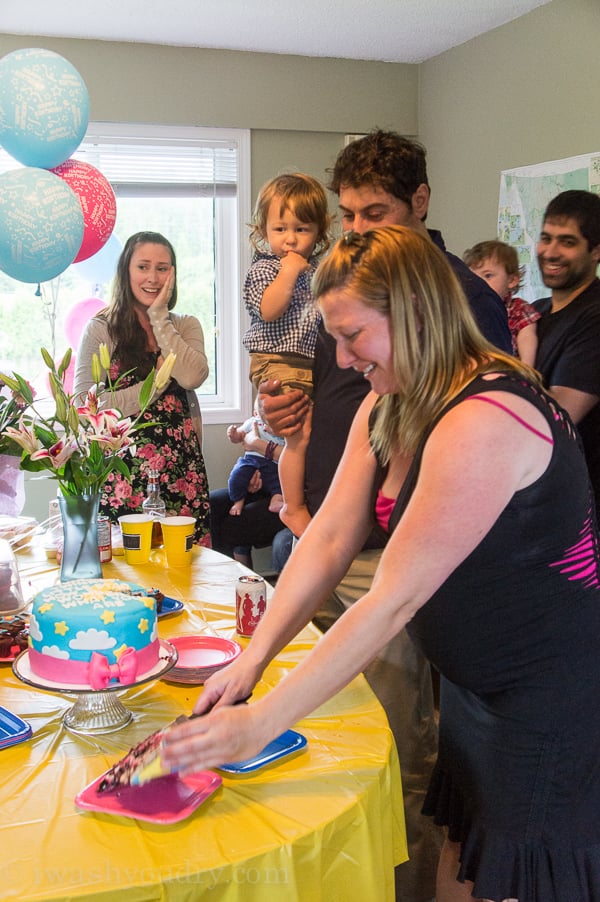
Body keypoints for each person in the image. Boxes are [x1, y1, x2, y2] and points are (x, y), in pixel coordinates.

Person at [163, 226, 600, 902]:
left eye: (352, 335)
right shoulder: (391, 399)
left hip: (545, 701)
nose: (340, 358)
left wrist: (262, 720)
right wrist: (252, 660)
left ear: (416, 314)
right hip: (475, 687)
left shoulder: (486, 418)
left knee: (509, 876)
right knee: (463, 859)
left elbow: (391, 598)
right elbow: (331, 541)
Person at [253, 131, 513, 902]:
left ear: (420, 205)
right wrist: (279, 420)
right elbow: (344, 400)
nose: (357, 230)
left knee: (399, 752)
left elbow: (456, 464)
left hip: (404, 559)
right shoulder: (349, 291)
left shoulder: (466, 317)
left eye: (376, 213)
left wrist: (252, 711)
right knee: (341, 737)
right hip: (340, 534)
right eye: (348, 214)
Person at [74, 231, 211, 544]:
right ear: (126, 271)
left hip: (182, 472)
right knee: (126, 574)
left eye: (163, 268)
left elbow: (192, 377)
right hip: (120, 475)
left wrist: (159, 317)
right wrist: (156, 384)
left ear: (173, 274)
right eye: (143, 267)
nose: (153, 277)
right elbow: (84, 406)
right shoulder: (101, 328)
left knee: (186, 571)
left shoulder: (186, 325)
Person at [243, 172, 332, 537]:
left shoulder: (319, 271)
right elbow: (268, 309)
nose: (291, 239)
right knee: (299, 433)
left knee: (309, 433)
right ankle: (292, 506)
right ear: (264, 230)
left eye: (302, 229)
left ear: (320, 232)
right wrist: (288, 272)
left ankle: (296, 500)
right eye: (280, 229)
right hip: (277, 359)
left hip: (307, 362)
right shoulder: (265, 269)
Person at [533, 189, 600, 514]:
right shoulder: (534, 313)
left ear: (596, 251)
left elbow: (558, 418)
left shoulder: (595, 317)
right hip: (539, 502)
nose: (551, 252)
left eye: (568, 242)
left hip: (582, 513)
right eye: (546, 238)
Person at [463, 239, 540, 365]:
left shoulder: (519, 309)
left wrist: (527, 368)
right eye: (473, 277)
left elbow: (527, 338)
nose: (479, 283)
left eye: (488, 275)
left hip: (508, 371)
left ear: (512, 280)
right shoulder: (469, 309)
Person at [226, 409, 284, 515]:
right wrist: (233, 435)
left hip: (275, 466)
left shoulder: (285, 426)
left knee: (280, 485)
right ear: (256, 414)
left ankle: (276, 501)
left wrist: (277, 431)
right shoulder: (253, 422)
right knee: (238, 474)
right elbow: (240, 436)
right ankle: (238, 501)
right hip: (252, 460)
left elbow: (292, 453)